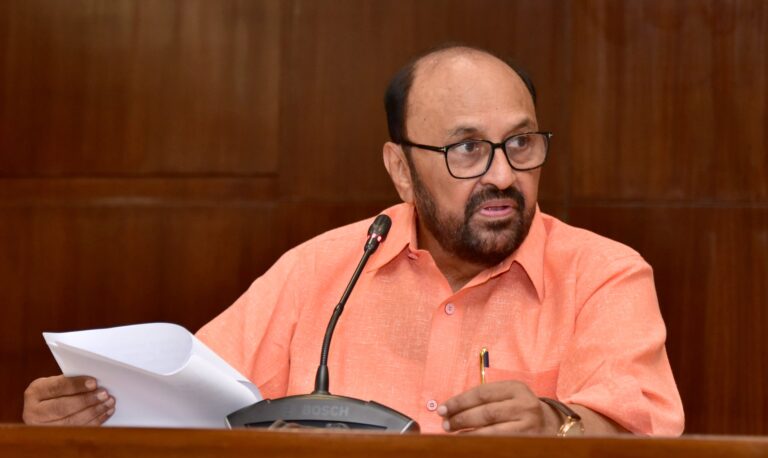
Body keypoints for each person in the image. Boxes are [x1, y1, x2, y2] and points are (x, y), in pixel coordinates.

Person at [22, 45, 684, 435]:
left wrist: (557, 424)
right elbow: (195, 401)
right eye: (466, 149)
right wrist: (90, 412)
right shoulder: (322, 271)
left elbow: (649, 440)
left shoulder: (603, 275)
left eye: (520, 142)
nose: (503, 174)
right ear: (401, 169)